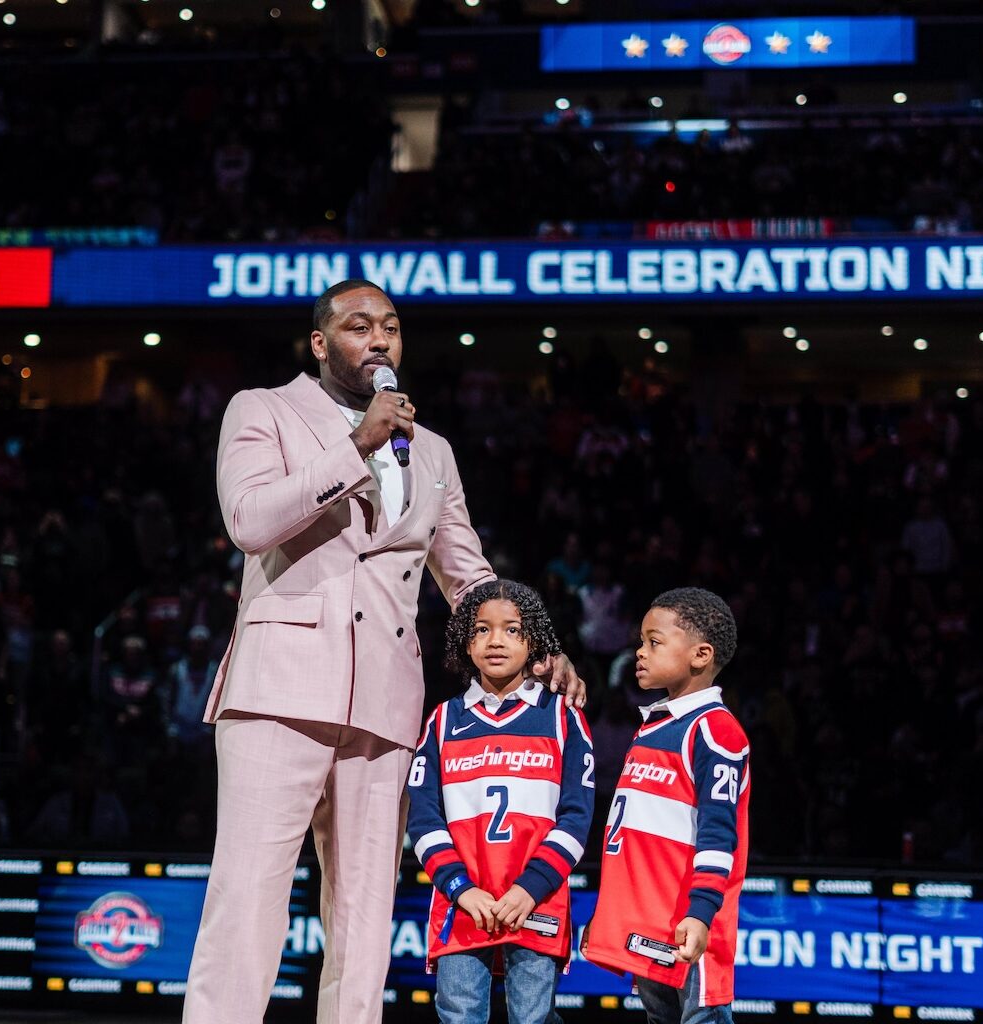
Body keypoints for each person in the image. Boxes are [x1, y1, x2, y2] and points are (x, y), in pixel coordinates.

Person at [183, 279, 585, 1024]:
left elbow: (469, 578)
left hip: (386, 703)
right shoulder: (262, 409)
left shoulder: (432, 450)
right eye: (358, 325)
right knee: (247, 902)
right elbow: (249, 520)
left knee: (365, 917)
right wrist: (354, 443)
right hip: (278, 691)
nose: (379, 339)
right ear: (319, 342)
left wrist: (539, 644)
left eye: (391, 328)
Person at [407, 579, 595, 1024]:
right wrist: (461, 888)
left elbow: (576, 818)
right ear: (464, 642)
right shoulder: (442, 720)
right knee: (459, 1016)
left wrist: (530, 888)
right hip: (463, 901)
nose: (495, 640)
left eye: (512, 629)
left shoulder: (562, 717)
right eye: (481, 630)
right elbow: (424, 820)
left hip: (536, 901)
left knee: (533, 1018)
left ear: (535, 642)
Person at [581, 588, 749, 1024]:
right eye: (641, 641)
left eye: (654, 642)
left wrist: (700, 912)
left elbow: (718, 834)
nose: (639, 652)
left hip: (689, 924)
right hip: (649, 921)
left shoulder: (715, 731)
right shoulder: (652, 727)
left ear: (700, 655)